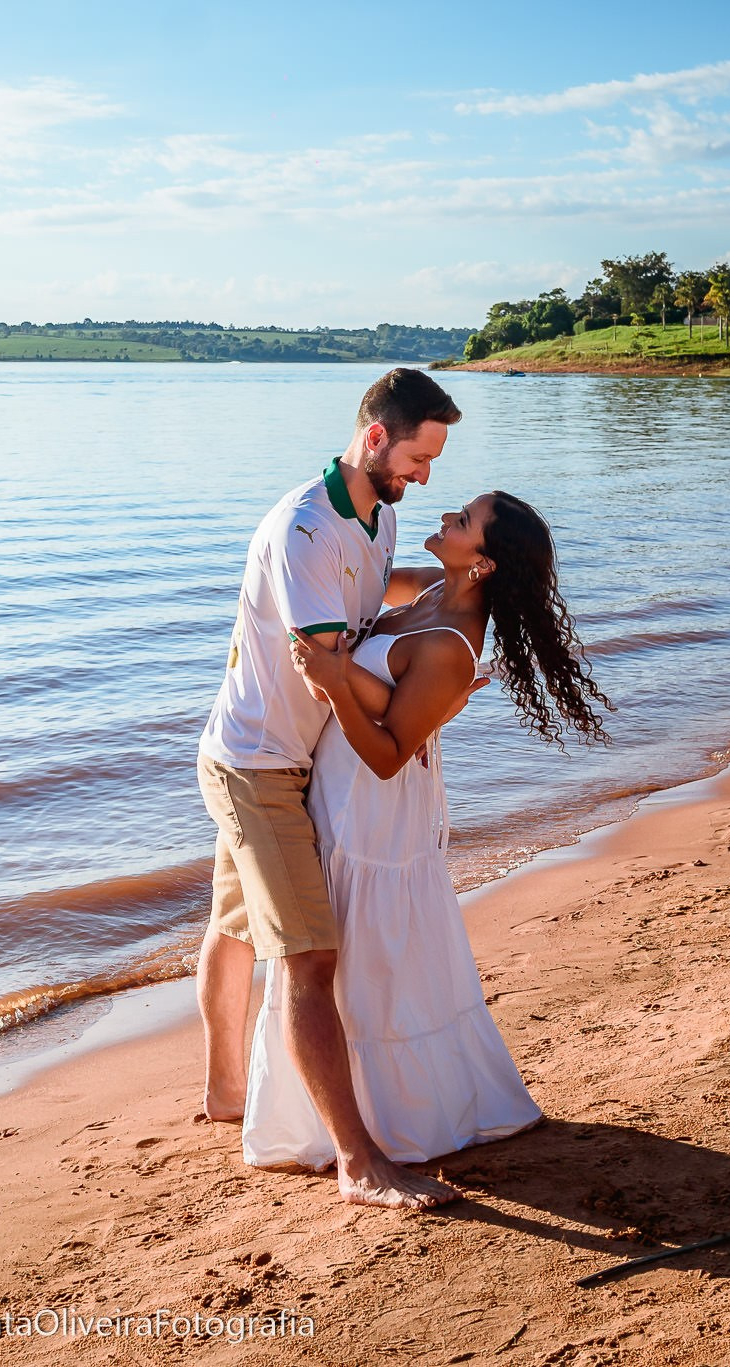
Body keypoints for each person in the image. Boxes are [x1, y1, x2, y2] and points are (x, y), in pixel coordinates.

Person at [243, 491, 611, 1177]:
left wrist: (334, 683)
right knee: (358, 954)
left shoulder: (448, 644)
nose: (445, 517)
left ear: (486, 564)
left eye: (462, 522)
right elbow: (356, 588)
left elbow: (386, 756)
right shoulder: (437, 590)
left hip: (372, 808)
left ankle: (392, 1119)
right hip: (343, 789)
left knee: (368, 958)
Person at [195, 367, 464, 1210]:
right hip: (259, 765)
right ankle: (355, 1159)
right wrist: (422, 711)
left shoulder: (377, 516)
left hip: (273, 758)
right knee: (311, 957)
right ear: (377, 437)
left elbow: (370, 604)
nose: (425, 477)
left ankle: (225, 1093)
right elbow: (327, 673)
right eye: (419, 457)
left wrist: (469, 593)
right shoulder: (307, 528)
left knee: (235, 921)